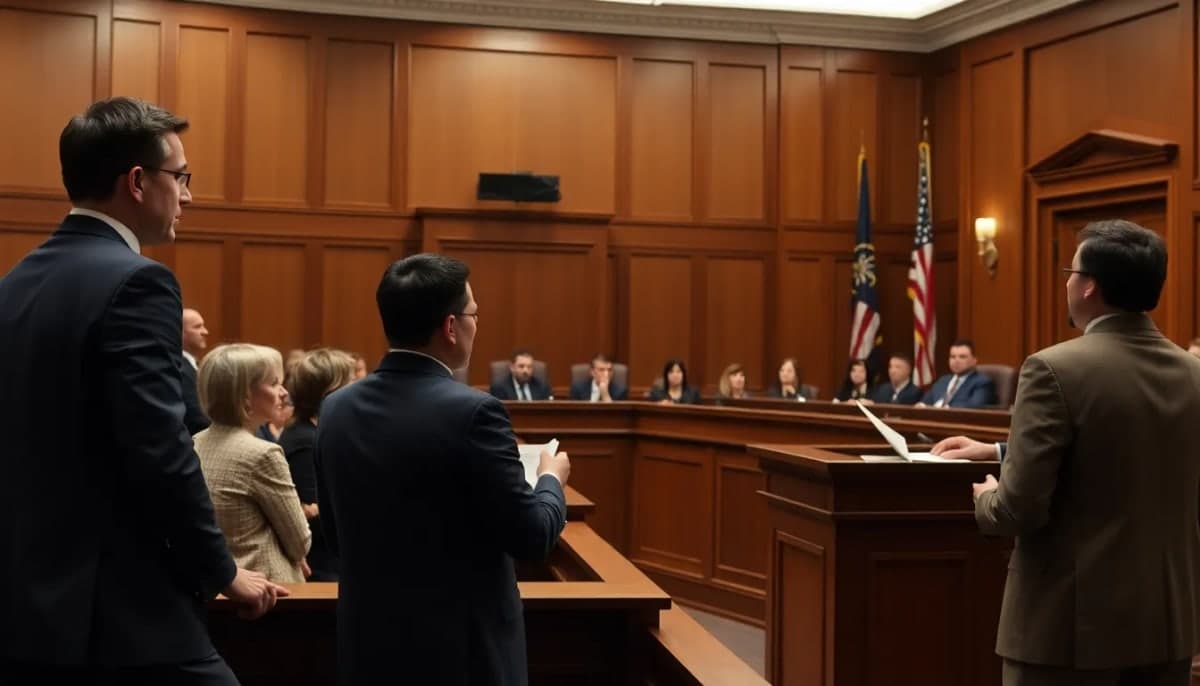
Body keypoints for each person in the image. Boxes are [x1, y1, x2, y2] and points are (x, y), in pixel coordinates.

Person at [0, 97, 284, 685]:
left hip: (27, 604)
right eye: (180, 177)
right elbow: (159, 448)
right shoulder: (138, 282)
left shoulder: (15, 283)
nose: (188, 196)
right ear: (137, 181)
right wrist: (222, 570)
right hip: (122, 609)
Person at [932, 219, 1200, 685]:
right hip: (1166, 626)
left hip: (1068, 631)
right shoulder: (1193, 374)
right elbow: (1128, 451)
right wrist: (999, 449)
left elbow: (1017, 510)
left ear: (1089, 285)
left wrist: (986, 496)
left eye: (1070, 272)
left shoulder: (1052, 369)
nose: (1067, 283)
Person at [315, 253, 571, 685]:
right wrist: (550, 478)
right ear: (451, 327)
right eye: (474, 314)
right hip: (461, 657)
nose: (476, 324)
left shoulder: (335, 408)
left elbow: (336, 536)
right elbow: (531, 537)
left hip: (369, 646)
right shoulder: (476, 413)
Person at [195, 343, 312, 584]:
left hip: (215, 583)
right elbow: (300, 542)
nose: (284, 392)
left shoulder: (194, 443)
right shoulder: (263, 454)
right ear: (244, 395)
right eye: (274, 383)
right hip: (269, 590)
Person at [279, 347, 357, 581]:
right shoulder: (304, 440)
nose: (358, 388)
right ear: (330, 390)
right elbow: (315, 516)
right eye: (351, 382)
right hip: (322, 570)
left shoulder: (318, 431)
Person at [916, 339, 996, 408]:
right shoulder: (943, 380)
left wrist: (946, 409)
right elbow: (925, 402)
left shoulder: (982, 383)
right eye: (952, 357)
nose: (956, 361)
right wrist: (921, 405)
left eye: (962, 357)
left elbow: (974, 406)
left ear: (974, 360)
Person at [181, 307, 211, 434]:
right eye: (197, 327)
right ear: (180, 332)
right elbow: (197, 418)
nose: (205, 332)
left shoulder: (193, 365)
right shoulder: (181, 368)